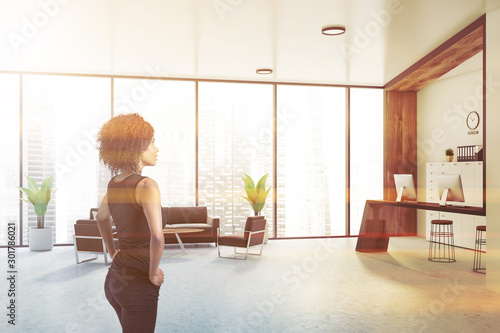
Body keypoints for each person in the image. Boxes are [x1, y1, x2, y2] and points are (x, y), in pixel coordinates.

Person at [95, 113, 164, 333]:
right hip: (137, 284)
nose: (157, 148)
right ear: (136, 146)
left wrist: (112, 251)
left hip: (114, 282)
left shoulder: (113, 184)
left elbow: (101, 218)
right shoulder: (146, 185)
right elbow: (156, 236)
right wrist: (153, 273)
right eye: (152, 142)